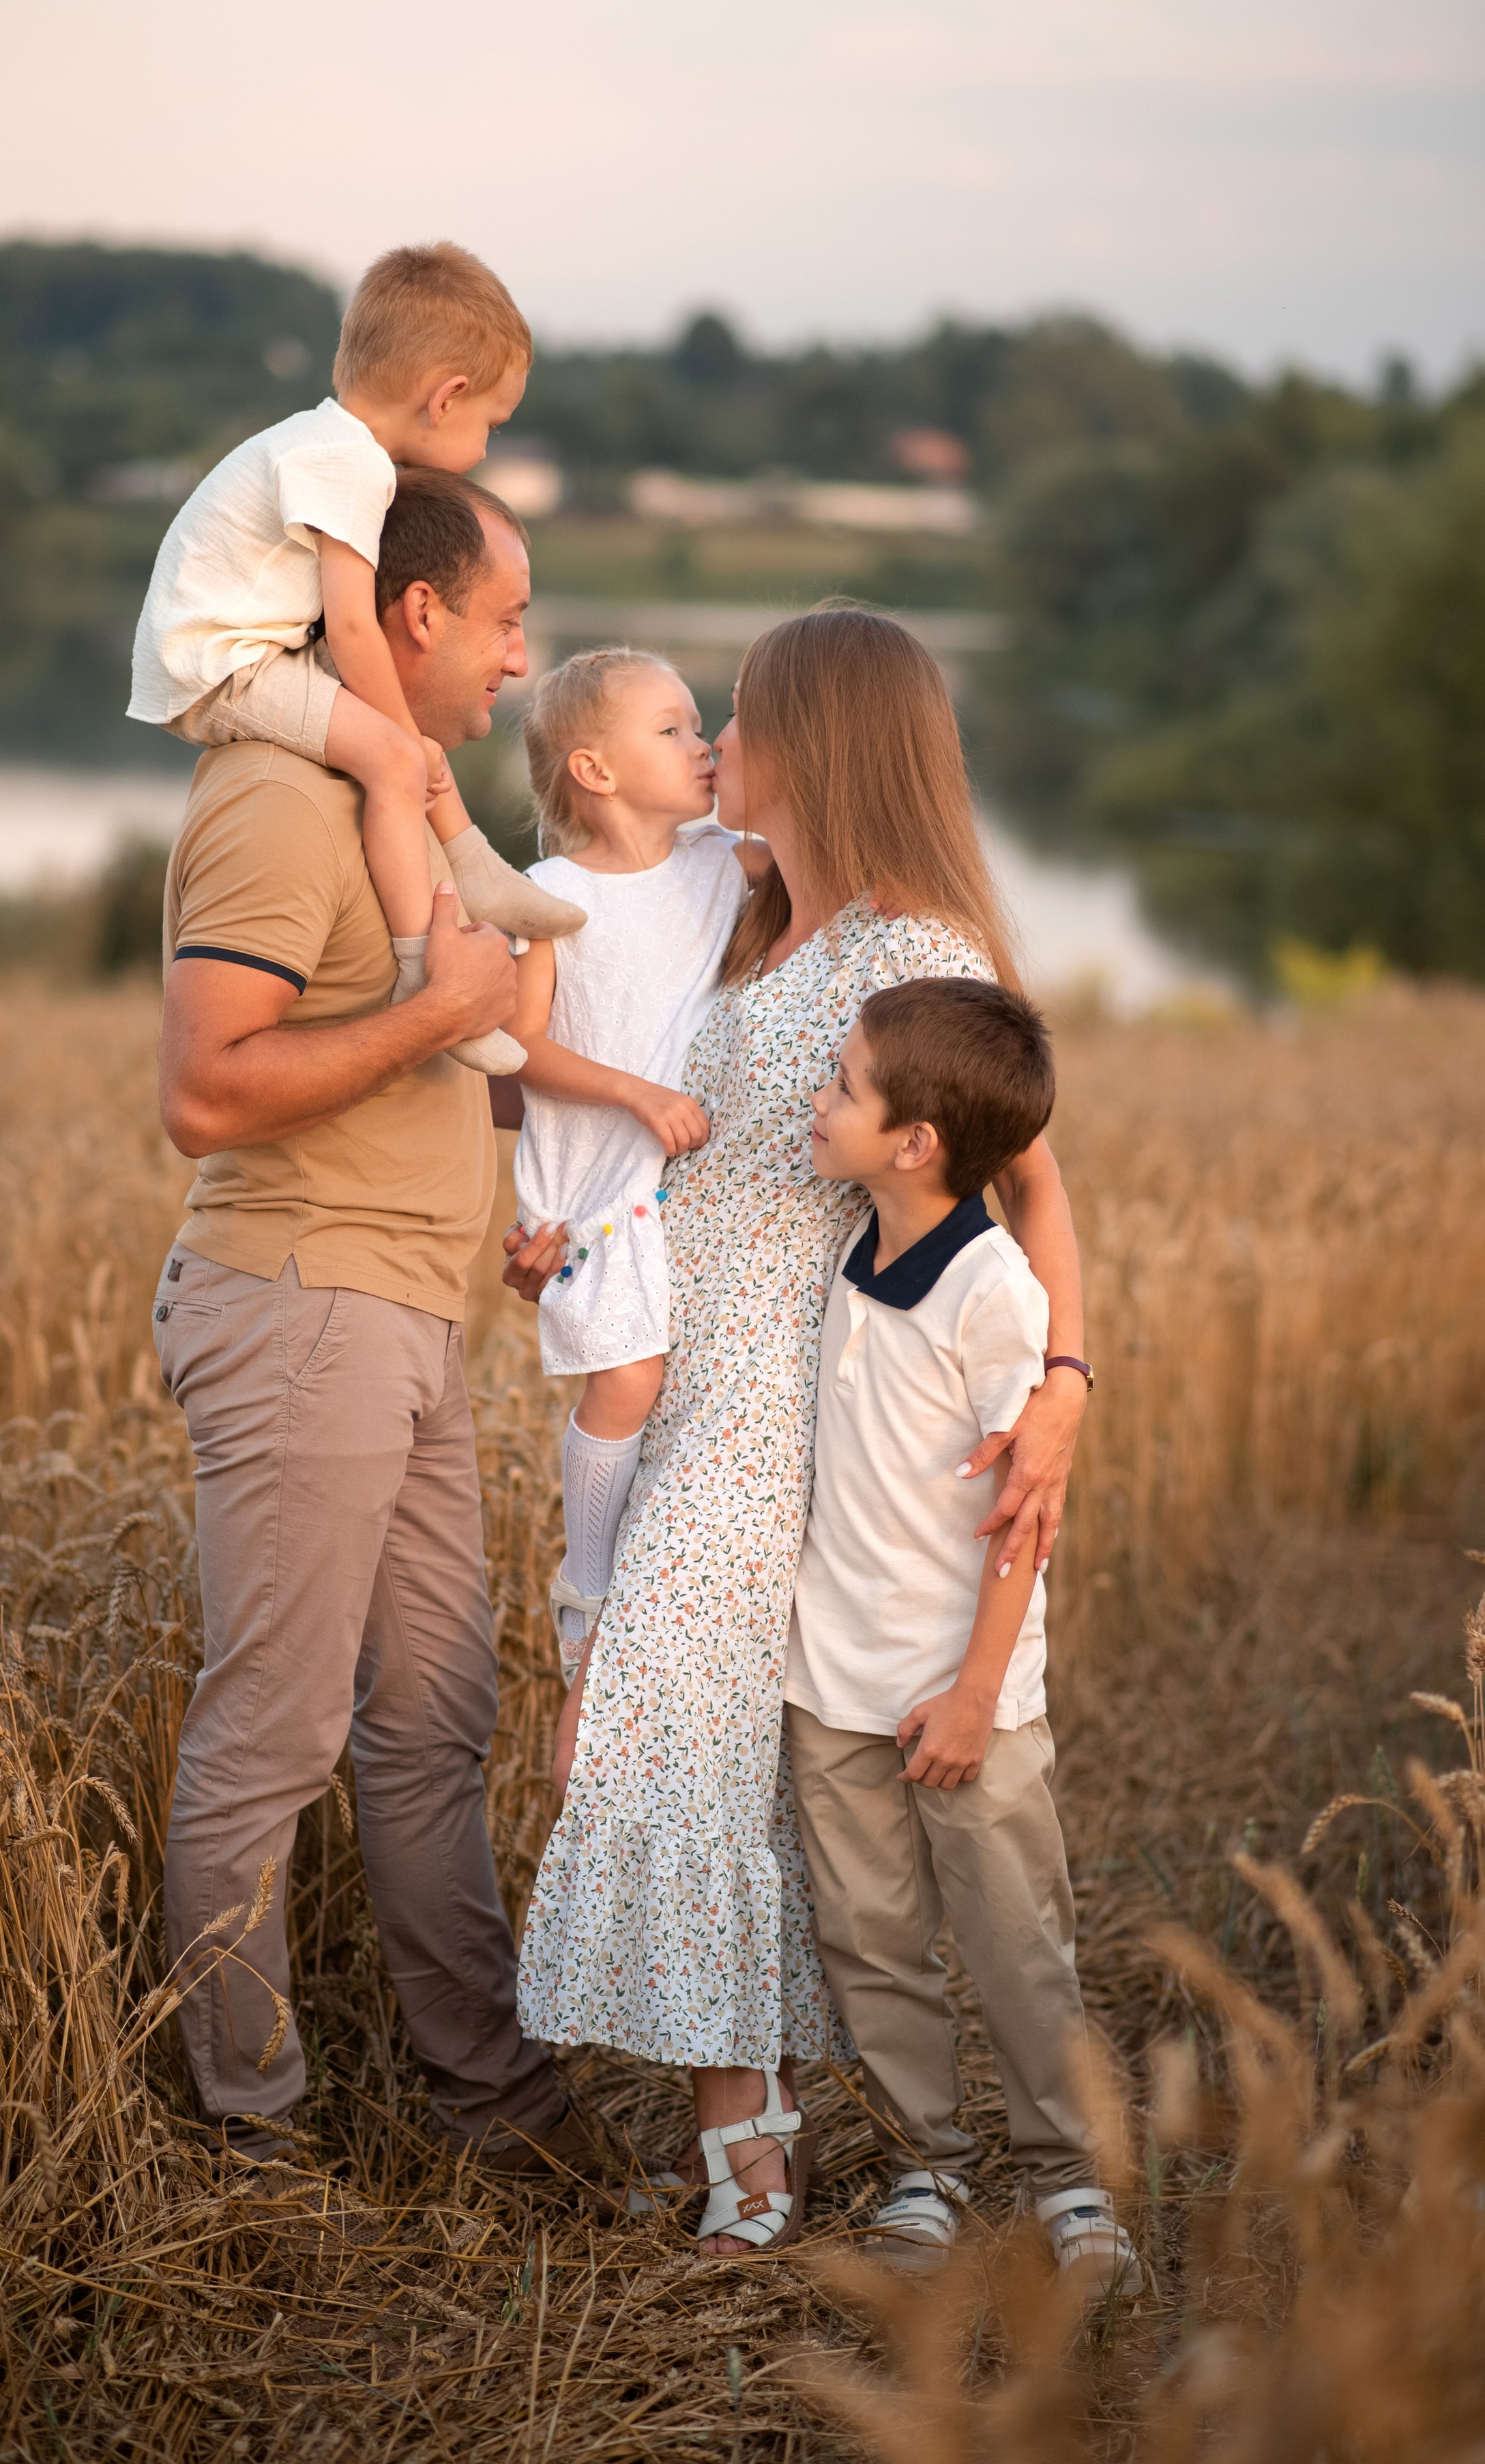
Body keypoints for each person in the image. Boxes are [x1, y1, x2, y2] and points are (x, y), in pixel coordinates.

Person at [508, 605, 1092, 2255]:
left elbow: (1032, 1184)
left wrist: (1061, 1379)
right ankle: (776, 2135)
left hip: (778, 1406)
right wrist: (572, 1246)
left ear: (818, 743)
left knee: (647, 1727)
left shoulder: (911, 953)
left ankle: (779, 2151)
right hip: (666, 1372)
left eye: (742, 718)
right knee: (709, 1755)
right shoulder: (741, 924)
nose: (717, 746)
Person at [151, 467, 590, 2183]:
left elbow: (454, 1046)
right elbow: (205, 1092)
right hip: (302, 1303)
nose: (518, 655)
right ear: (413, 612)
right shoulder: (278, 801)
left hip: (402, 1314)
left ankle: (493, 2107)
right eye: (504, 619)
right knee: (273, 1738)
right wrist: (434, 1018)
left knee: (430, 1721)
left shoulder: (402, 798)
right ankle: (248, 2146)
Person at [786, 978, 1140, 2294]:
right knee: (871, 1944)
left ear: (916, 1143)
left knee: (1017, 1945)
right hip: (832, 1684)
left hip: (967, 1690)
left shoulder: (993, 1290)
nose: (819, 1100)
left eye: (843, 1087)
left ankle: (1070, 2178)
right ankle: (923, 2164)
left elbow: (1019, 1519)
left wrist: (977, 1692)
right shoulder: (848, 1239)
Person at [129, 240, 583, 1077]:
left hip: (238, 650)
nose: (487, 450)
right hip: (220, 665)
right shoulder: (349, 467)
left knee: (404, 738)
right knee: (394, 753)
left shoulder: (326, 442)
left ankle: (473, 866)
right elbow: (350, 624)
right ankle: (426, 971)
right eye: (490, 426)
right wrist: (401, 740)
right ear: (445, 398)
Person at [504, 649, 750, 1705]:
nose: (702, 747)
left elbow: (835, 844)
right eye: (673, 730)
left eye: (702, 726)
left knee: (685, 1390)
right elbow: (521, 1047)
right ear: (595, 771)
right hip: (594, 1180)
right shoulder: (552, 898)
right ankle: (589, 1588)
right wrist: (636, 1094)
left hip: (684, 1183)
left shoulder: (724, 862)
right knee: (629, 1379)